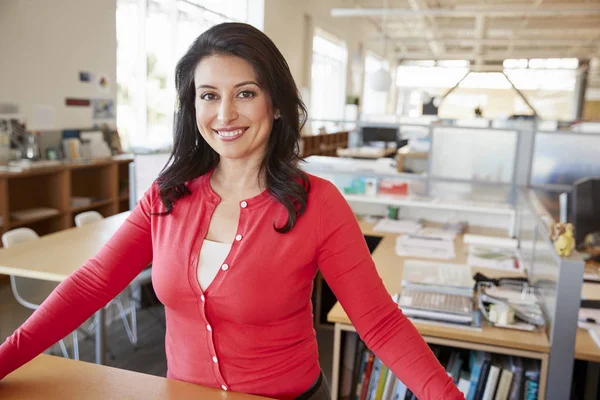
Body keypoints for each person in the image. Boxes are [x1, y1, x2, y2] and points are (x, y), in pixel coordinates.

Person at [0, 23, 463, 400]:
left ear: (276, 104)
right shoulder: (167, 196)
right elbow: (89, 285)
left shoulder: (318, 203)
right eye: (208, 95)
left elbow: (379, 323)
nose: (225, 113)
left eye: (245, 93)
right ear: (192, 106)